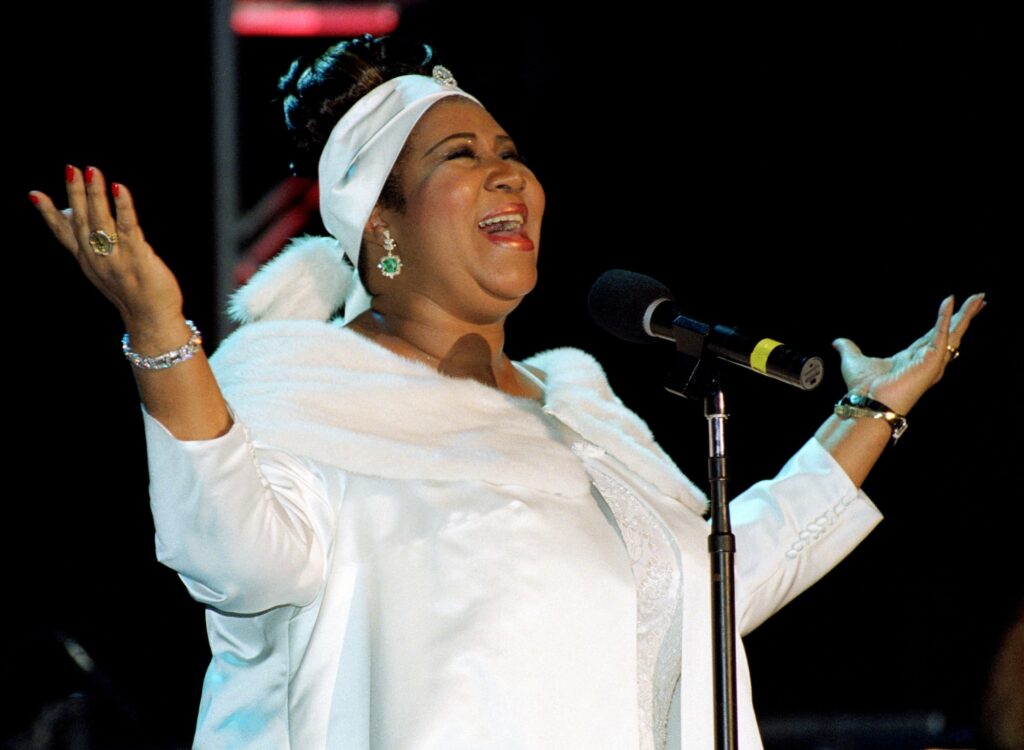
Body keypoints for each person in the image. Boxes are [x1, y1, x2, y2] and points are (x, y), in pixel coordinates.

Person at [29, 34, 984, 750]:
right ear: (379, 224)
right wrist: (160, 333)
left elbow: (712, 585)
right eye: (460, 156)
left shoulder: (575, 405)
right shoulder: (301, 389)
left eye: (508, 148)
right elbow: (234, 555)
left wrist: (871, 411)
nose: (507, 171)